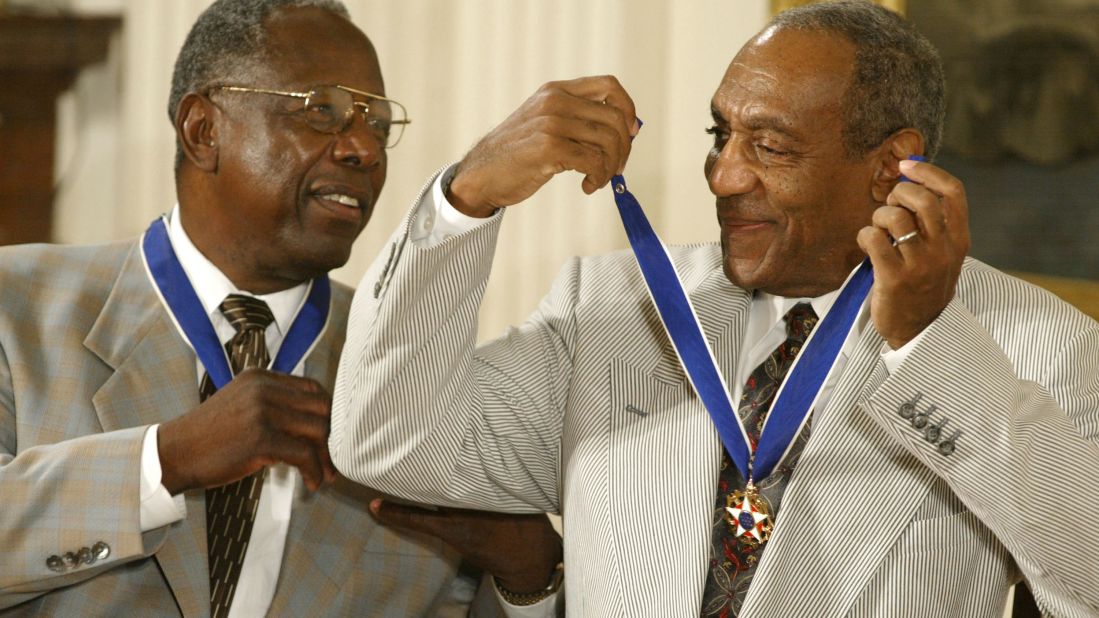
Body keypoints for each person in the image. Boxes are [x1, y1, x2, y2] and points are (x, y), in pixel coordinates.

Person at [329, 1, 1099, 616]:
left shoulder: (1039, 346)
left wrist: (928, 345)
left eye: (768, 146)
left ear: (889, 166)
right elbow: (388, 443)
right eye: (718, 133)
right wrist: (467, 200)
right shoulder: (611, 306)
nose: (723, 176)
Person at [0, 0, 562, 615]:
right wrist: (166, 460)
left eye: (377, 123)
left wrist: (531, 578)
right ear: (202, 130)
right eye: (324, 110)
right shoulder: (18, 307)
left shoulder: (413, 370)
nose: (364, 150)